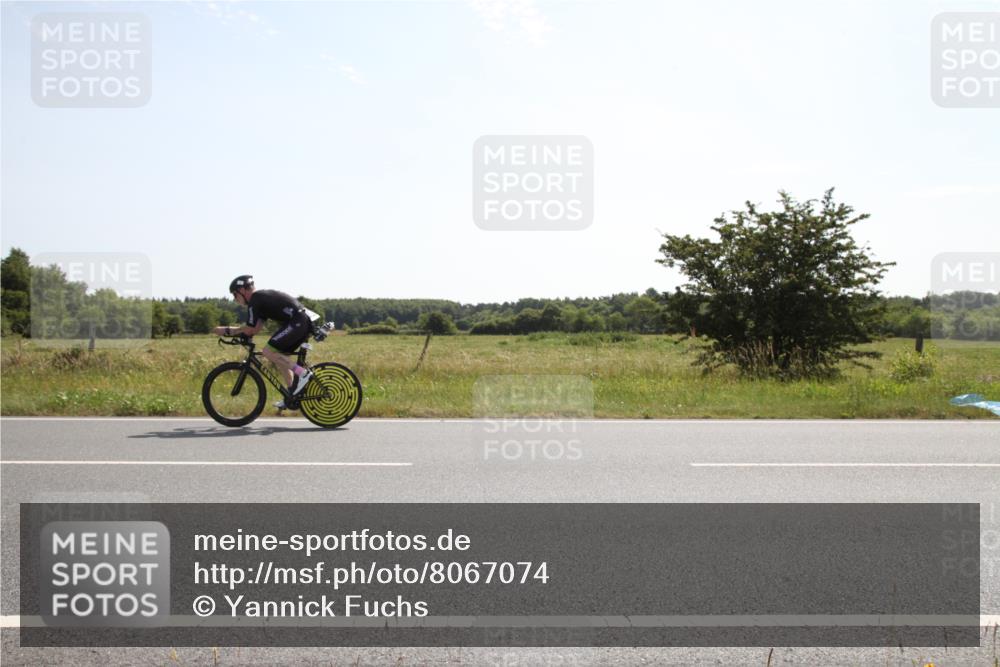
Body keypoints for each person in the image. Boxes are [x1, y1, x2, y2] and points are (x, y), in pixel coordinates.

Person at [212, 275, 313, 407]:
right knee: (279, 356)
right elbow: (255, 329)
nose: (234, 299)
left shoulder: (255, 299)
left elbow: (249, 329)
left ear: (242, 290)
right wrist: (242, 334)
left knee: (267, 351)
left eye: (235, 294)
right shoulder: (260, 300)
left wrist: (226, 330)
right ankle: (292, 395)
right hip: (299, 321)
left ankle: (303, 373)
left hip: (297, 322)